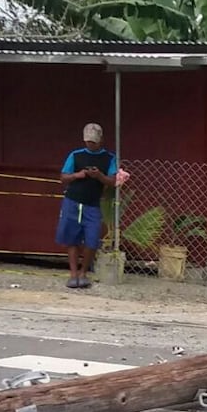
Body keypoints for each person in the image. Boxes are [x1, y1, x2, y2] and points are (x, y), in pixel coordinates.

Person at [57, 122, 124, 290]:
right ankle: (73, 274)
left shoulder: (109, 158)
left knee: (92, 239)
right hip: (72, 200)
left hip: (93, 203)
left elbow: (113, 180)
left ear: (101, 140)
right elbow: (63, 177)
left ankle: (83, 272)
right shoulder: (76, 155)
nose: (90, 144)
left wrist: (99, 176)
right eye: (88, 141)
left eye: (93, 141)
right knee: (71, 237)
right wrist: (77, 175)